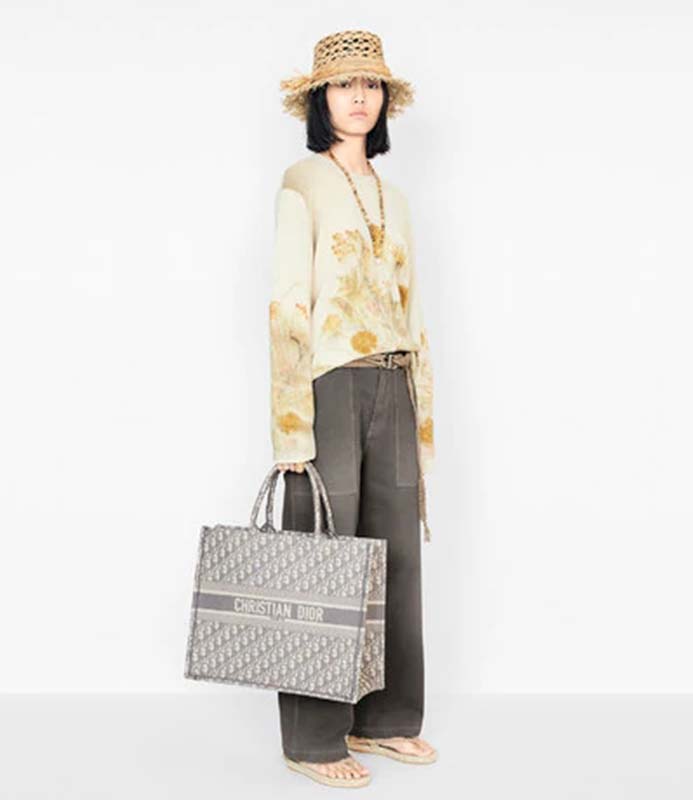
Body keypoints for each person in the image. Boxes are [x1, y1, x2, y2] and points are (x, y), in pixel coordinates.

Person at [269, 29, 438, 788]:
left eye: (370, 84)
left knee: (396, 557)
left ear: (384, 99)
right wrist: (289, 426)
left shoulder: (396, 198)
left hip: (394, 383)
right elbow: (287, 303)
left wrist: (421, 414)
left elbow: (413, 308)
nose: (359, 96)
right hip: (329, 383)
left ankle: (386, 719)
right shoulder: (302, 183)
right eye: (343, 85)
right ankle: (311, 739)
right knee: (326, 558)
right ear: (321, 99)